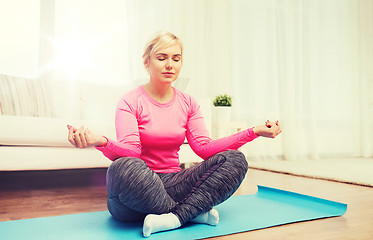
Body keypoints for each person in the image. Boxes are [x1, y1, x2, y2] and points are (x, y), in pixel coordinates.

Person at [67, 31, 282, 237]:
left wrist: (255, 131)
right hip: (134, 195)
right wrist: (100, 141)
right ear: (146, 62)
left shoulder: (189, 103)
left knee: (235, 159)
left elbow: (204, 148)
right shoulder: (129, 100)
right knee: (123, 167)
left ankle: (175, 218)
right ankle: (190, 213)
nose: (170, 64)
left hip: (173, 184)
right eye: (162, 58)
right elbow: (131, 152)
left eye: (176, 59)